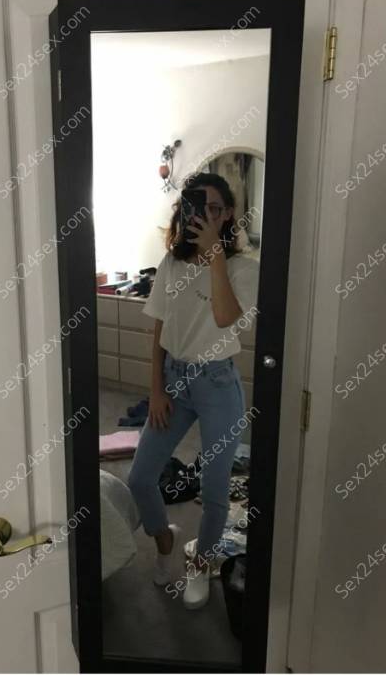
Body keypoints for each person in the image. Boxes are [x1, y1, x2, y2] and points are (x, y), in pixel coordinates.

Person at [128, 172, 259, 610]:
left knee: (215, 486)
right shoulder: (172, 263)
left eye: (214, 208)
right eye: (196, 207)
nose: (204, 215)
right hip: (174, 380)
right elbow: (159, 331)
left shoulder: (244, 268)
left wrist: (215, 255)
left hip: (218, 384)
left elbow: (225, 318)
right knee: (140, 476)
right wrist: (156, 389)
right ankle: (165, 540)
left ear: (228, 215)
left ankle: (200, 564)